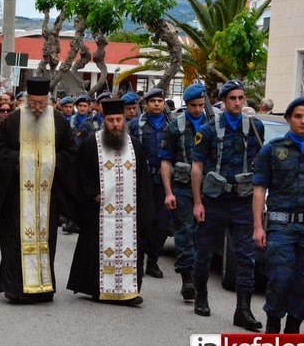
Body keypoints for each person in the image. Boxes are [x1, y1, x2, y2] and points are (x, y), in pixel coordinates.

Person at [0, 77, 76, 303]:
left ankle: (44, 287)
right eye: (34, 103)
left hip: (48, 196)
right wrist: (21, 160)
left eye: (42, 103)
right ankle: (15, 288)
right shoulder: (13, 121)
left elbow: (70, 152)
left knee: (46, 240)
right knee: (14, 241)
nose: (38, 108)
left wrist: (52, 161)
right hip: (16, 196)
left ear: (48, 101)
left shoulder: (59, 121)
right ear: (26, 101)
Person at [253, 97, 304, 334]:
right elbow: (259, 190)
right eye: (298, 116)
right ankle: (273, 324)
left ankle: (293, 328)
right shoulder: (272, 150)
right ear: (289, 119)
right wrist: (258, 226)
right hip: (281, 227)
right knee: (280, 278)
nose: (303, 121)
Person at [191, 79, 264, 331]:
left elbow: (259, 163)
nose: (237, 102)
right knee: (203, 253)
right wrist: (198, 202)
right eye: (232, 98)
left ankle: (243, 310)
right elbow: (197, 167)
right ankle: (201, 295)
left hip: (242, 201)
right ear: (223, 101)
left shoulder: (255, 127)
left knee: (246, 258)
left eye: (241, 98)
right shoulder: (209, 130)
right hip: (214, 201)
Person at [68, 99, 154, 305]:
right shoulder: (91, 143)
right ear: (103, 120)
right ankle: (98, 288)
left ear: (124, 120)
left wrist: (144, 208)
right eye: (110, 120)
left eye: (118, 120)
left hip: (129, 214)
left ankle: (129, 291)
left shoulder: (135, 145)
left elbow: (143, 179)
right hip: (98, 210)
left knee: (132, 247)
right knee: (96, 247)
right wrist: (92, 193)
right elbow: (79, 172)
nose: (115, 124)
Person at [159, 83, 207, 301]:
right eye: (193, 105)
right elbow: (166, 161)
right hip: (183, 187)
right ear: (186, 105)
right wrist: (168, 192)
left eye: (200, 104)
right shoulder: (175, 127)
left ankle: (199, 276)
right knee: (185, 231)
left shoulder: (214, 125)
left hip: (209, 188)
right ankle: (187, 279)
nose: (197, 109)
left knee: (202, 234)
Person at [128, 87, 170, 279]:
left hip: (165, 181)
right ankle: (138, 261)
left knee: (161, 224)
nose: (157, 104)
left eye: (160, 101)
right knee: (143, 221)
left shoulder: (172, 125)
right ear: (146, 104)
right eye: (153, 101)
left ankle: (153, 260)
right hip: (143, 181)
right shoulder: (136, 125)